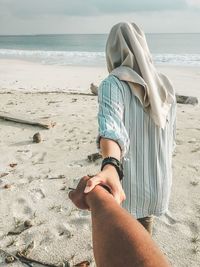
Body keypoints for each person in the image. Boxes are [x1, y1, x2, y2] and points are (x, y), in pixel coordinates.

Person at [83, 22, 176, 234]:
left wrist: (110, 164)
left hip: (126, 188)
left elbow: (111, 129)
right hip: (158, 183)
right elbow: (171, 141)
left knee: (125, 252)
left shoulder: (112, 84)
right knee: (144, 242)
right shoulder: (166, 85)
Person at [69, 176, 171, 267]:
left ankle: (97, 194)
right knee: (144, 217)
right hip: (147, 185)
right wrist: (111, 163)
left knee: (144, 216)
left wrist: (96, 194)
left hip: (140, 187)